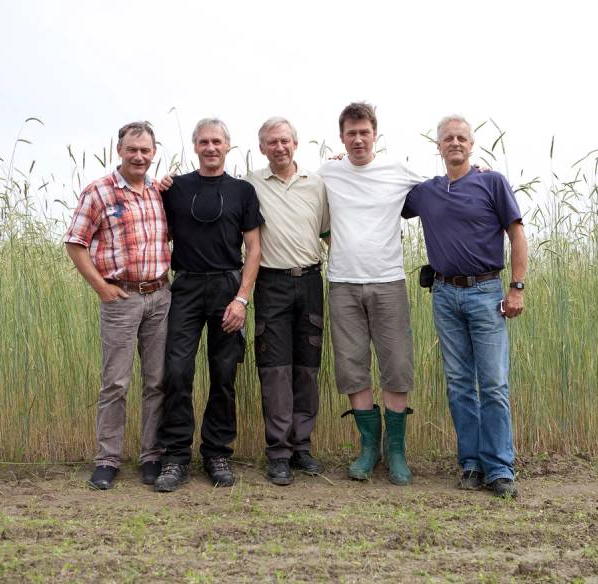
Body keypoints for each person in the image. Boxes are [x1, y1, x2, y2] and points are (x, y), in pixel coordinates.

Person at [403, 115, 528, 499]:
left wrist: (517, 288)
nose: (454, 143)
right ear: (438, 146)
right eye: (447, 138)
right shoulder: (425, 192)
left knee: (493, 383)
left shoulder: (492, 182)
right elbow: (379, 194)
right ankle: (471, 464)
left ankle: (500, 468)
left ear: (472, 145)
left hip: (487, 293)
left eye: (461, 138)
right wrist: (346, 164)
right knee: (459, 384)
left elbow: (517, 234)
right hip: (444, 294)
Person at [154, 118, 263, 492]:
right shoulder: (175, 188)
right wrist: (158, 184)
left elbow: (254, 250)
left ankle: (217, 453)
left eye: (217, 141)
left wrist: (241, 299)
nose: (210, 147)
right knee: (177, 372)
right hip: (184, 287)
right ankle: (175, 457)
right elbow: (155, 227)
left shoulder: (243, 191)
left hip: (227, 288)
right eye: (203, 142)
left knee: (224, 374)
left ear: (228, 146)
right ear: (194, 147)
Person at [64, 121, 171, 490]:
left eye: (145, 150)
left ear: (154, 152)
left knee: (157, 381)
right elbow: (75, 242)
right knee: (116, 382)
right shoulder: (98, 192)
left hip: (160, 296)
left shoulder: (160, 192)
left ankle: (151, 456)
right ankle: (107, 459)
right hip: (121, 298)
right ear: (119, 150)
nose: (138, 156)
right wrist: (101, 287)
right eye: (132, 149)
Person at [318, 102, 420, 486]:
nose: (358, 139)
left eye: (364, 132)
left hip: (388, 280)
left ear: (375, 134)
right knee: (351, 365)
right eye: (350, 133)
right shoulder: (328, 171)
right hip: (342, 283)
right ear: (341, 137)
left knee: (396, 365)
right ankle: (367, 449)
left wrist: (473, 171)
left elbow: (442, 188)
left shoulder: (398, 171)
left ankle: (396, 452)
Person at [247, 117, 330, 485]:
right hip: (271, 284)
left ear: (295, 144)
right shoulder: (250, 184)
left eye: (284, 141)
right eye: (271, 142)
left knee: (307, 369)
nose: (278, 147)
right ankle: (278, 453)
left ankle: (302, 448)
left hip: (311, 280)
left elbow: (328, 233)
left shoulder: (317, 185)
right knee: (275, 370)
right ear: (262, 148)